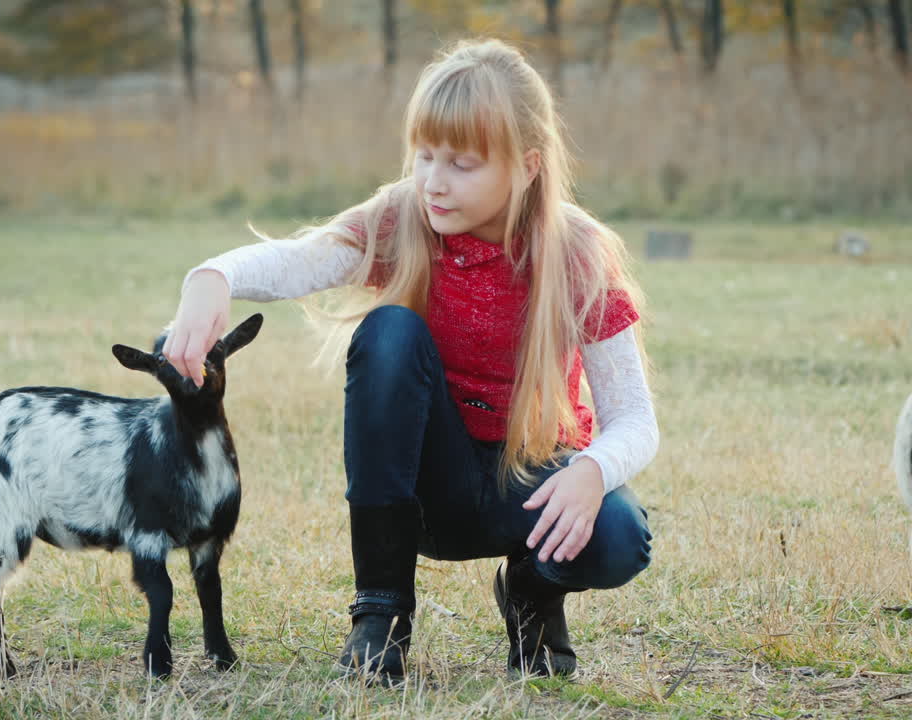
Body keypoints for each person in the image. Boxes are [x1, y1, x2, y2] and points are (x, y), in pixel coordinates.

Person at [163, 38, 657, 683]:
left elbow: (635, 418)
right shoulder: (405, 217)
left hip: (528, 484)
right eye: (424, 155)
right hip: (426, 492)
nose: (433, 180)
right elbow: (300, 260)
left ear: (528, 165)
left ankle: (534, 596)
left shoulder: (578, 252)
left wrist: (593, 471)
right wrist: (213, 276)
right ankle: (382, 618)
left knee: (622, 538)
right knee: (390, 330)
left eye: (462, 163)